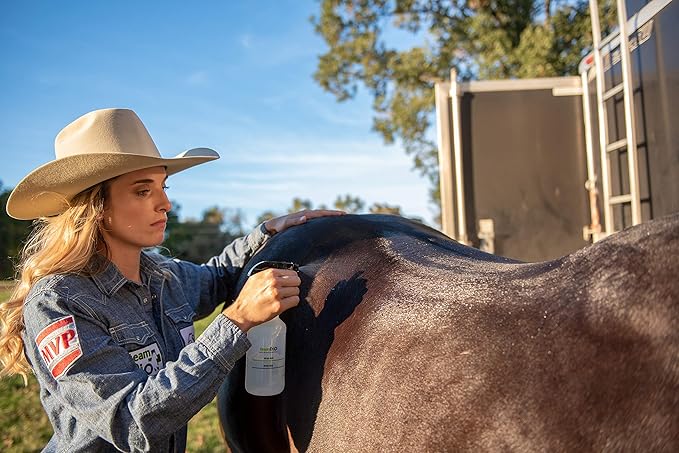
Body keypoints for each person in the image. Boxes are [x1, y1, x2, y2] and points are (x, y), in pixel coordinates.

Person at [0, 108, 344, 452]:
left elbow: (218, 277)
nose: (165, 203)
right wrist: (237, 321)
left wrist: (267, 232)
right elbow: (132, 422)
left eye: (163, 187)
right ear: (96, 206)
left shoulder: (163, 277)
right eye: (142, 191)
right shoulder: (59, 302)